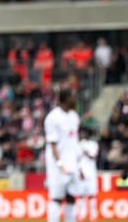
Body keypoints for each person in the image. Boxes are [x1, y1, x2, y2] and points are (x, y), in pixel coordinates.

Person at [44, 89, 80, 222]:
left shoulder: (74, 116)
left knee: (71, 196)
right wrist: (60, 164)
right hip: (57, 165)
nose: (75, 100)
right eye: (72, 97)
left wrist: (78, 165)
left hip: (72, 164)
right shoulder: (52, 118)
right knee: (56, 197)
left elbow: (74, 141)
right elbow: (52, 144)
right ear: (66, 99)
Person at [75, 126, 99, 222]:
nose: (83, 135)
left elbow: (93, 156)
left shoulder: (93, 144)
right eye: (82, 133)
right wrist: (79, 171)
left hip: (91, 173)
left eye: (85, 133)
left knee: (92, 195)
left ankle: (93, 215)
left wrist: (86, 151)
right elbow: (76, 160)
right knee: (81, 195)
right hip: (81, 174)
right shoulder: (78, 145)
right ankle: (82, 214)